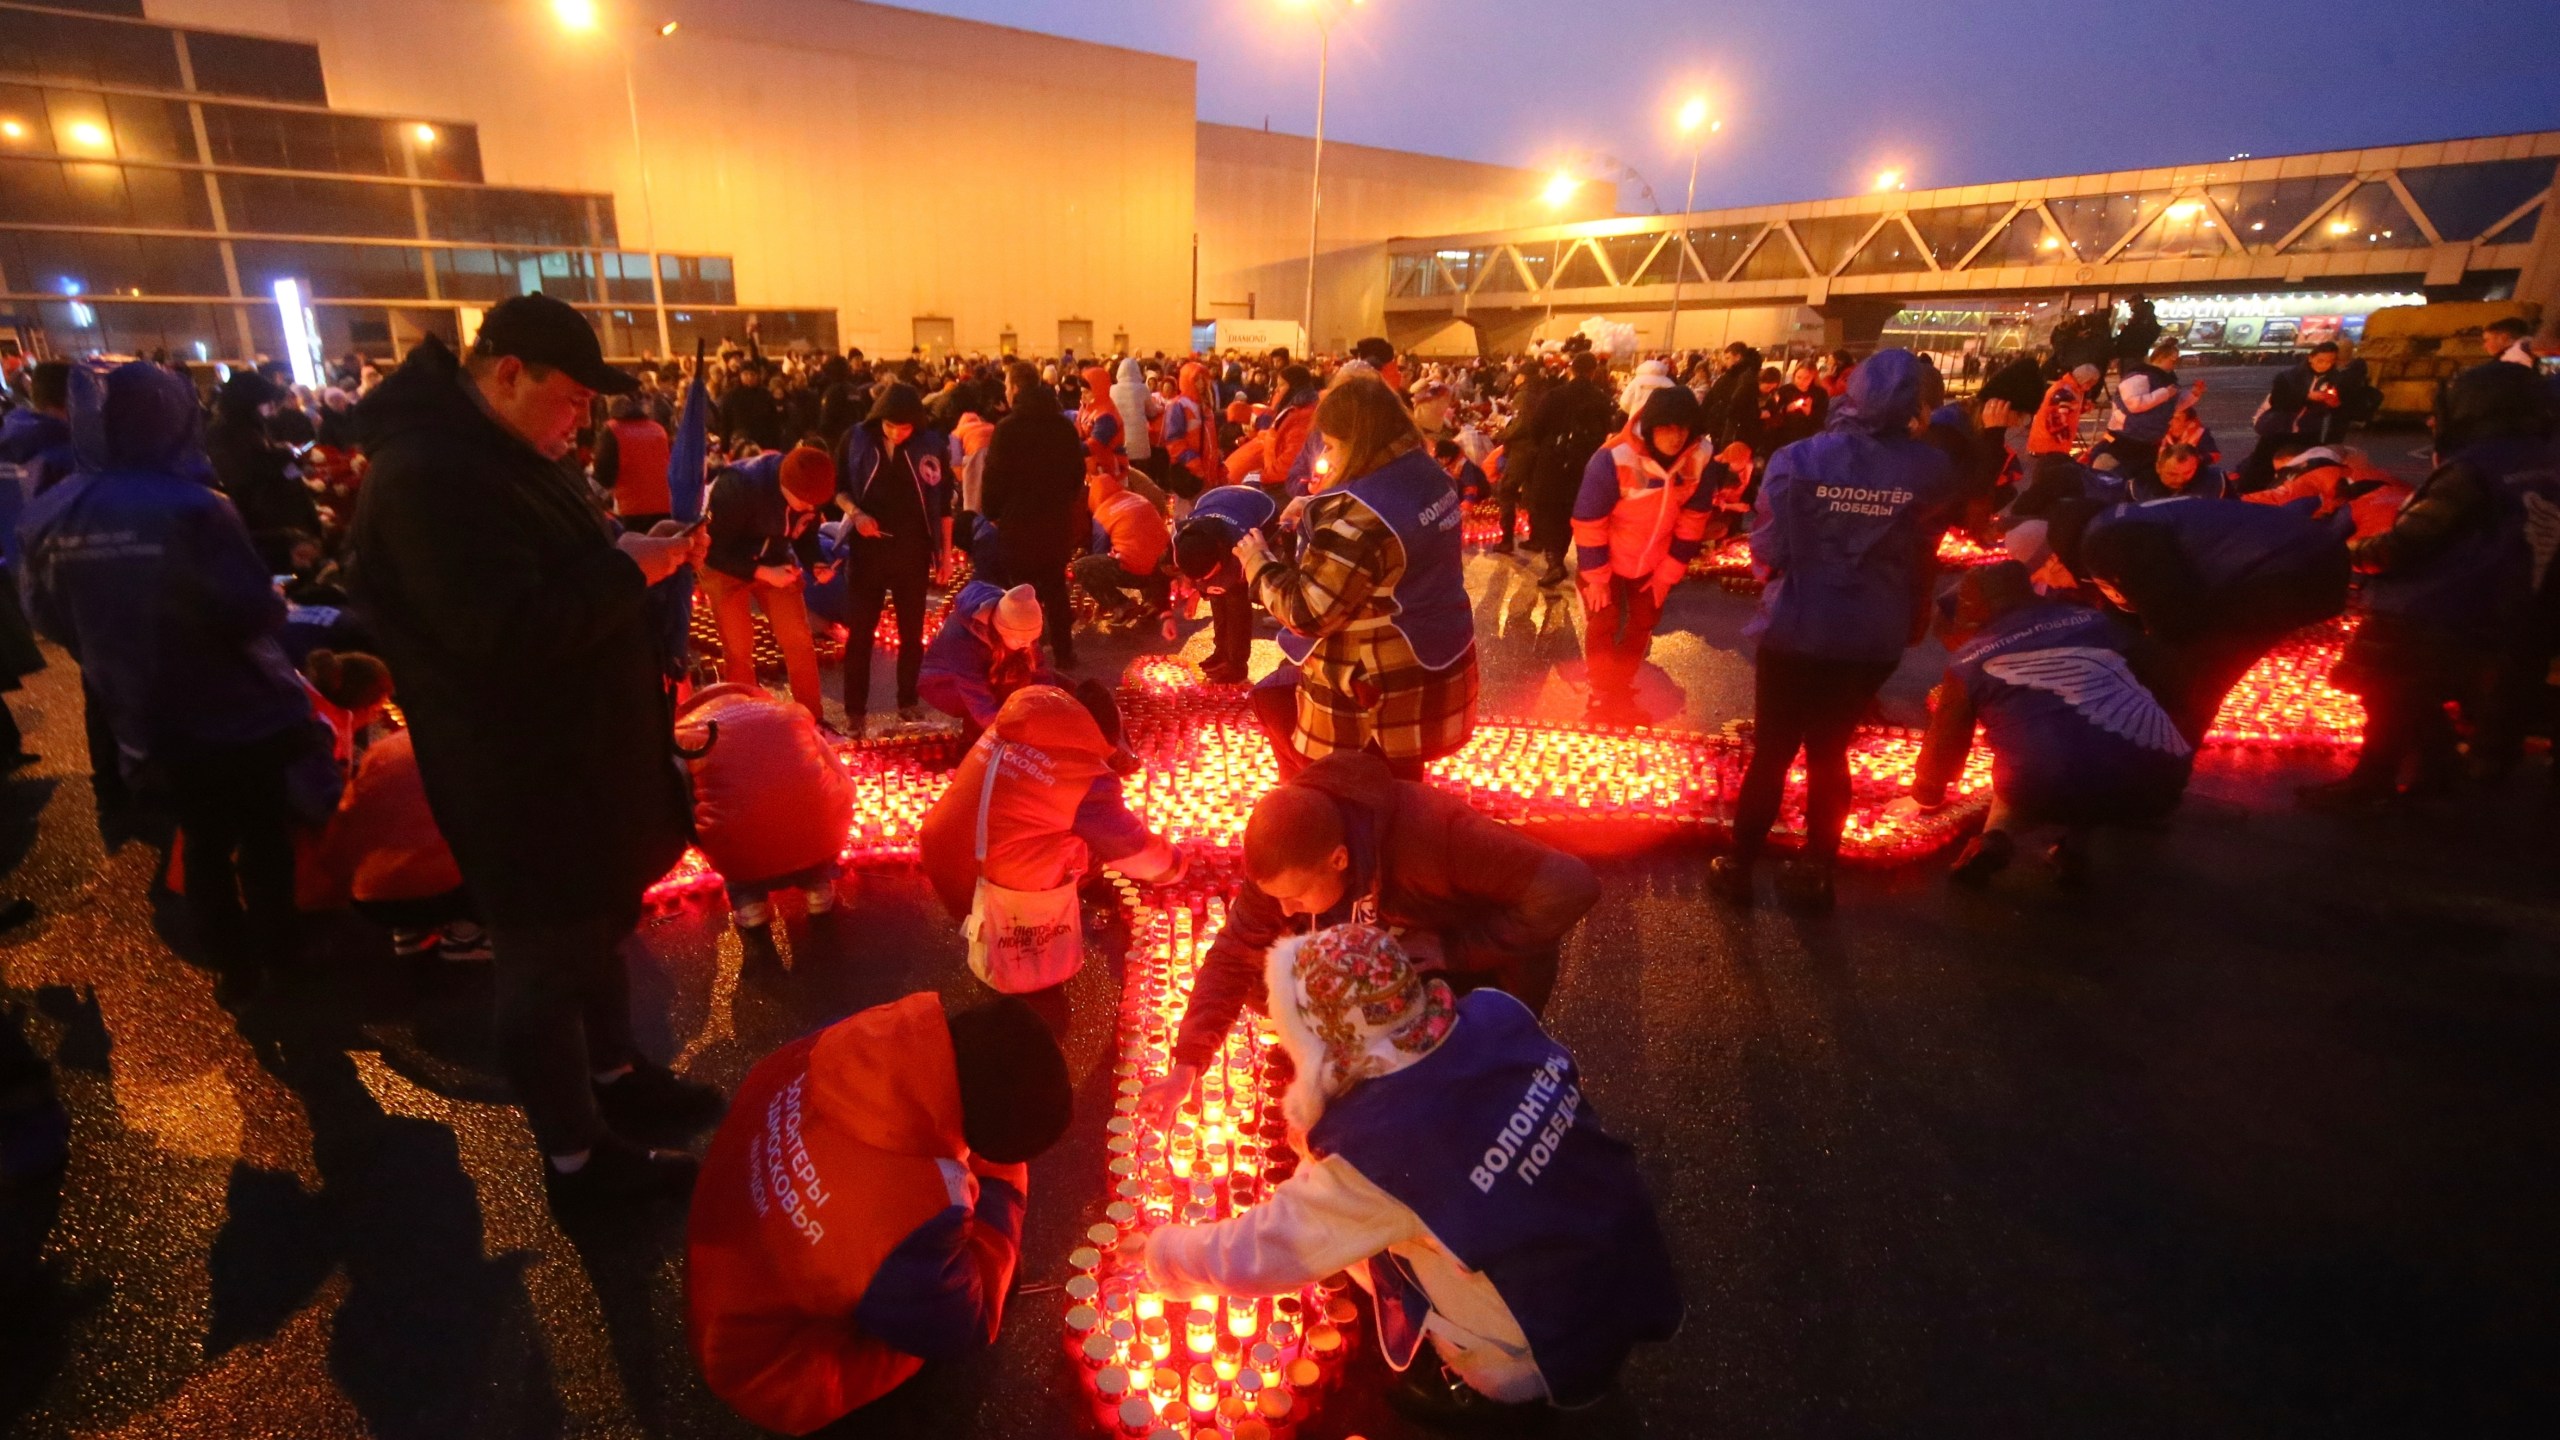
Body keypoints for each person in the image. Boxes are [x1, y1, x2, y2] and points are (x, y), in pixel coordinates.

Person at [349, 293, 718, 1209]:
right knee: (545, 966)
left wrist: (630, 547)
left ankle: (617, 1077)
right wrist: (628, 567)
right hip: (519, 779)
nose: (585, 419)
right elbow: (503, 632)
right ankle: (579, 1164)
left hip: (580, 762)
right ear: (509, 374)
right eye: (575, 399)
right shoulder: (427, 476)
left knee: (596, 935)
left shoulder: (504, 451)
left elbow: (555, 564)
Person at [1125, 923, 1679, 1427]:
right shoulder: (1494, 1012)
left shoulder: (1382, 1149)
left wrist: (1163, 1256)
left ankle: (1477, 1380)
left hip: (1546, 1330)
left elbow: (1269, 1251)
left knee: (1372, 1238)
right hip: (1625, 1256)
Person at [20, 361, 319, 1002]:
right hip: (237, 710)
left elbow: (46, 616)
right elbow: (250, 610)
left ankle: (231, 965)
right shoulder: (194, 506)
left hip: (142, 711)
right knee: (263, 837)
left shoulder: (49, 512)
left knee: (202, 841)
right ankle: (283, 955)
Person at [685, 994, 1072, 1436]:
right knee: (998, 1277)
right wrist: (1004, 1183)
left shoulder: (859, 1042)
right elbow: (967, 1320)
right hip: (764, 1365)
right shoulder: (907, 1216)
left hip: (727, 1265)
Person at [1142, 750, 1598, 1122]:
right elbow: (1235, 953)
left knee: (1463, 1101)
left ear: (1339, 860)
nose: (1285, 912)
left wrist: (1454, 950)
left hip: (1481, 966)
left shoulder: (1434, 835)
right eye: (1277, 898)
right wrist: (1188, 1064)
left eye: (1297, 898)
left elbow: (1569, 886)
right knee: (1270, 976)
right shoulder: (1288, 859)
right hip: (1397, 964)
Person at [1712, 349, 1959, 912]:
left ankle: (1738, 867)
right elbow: (1926, 547)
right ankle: (1815, 871)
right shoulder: (1929, 470)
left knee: (1773, 751)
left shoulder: (1799, 458)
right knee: (1830, 751)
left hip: (1799, 625)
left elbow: (1769, 544)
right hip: (1873, 637)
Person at [2300, 362, 2559, 809]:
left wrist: (2348, 552)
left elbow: (2409, 543)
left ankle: (2373, 782)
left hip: (2438, 608)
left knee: (2389, 694)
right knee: (2420, 697)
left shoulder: (2473, 468)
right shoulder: (2542, 462)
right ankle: (2440, 771)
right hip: (2514, 605)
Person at [1242, 376, 1478, 780]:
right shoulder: (1427, 474)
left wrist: (1256, 563)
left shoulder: (1358, 516)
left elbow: (1309, 612)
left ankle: (1327, 819)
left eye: (1332, 446)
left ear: (1359, 441)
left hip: (1376, 687)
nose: (1329, 457)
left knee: (1278, 706)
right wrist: (1317, 505)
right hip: (1438, 664)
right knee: (1401, 785)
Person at [1902, 561, 2193, 887]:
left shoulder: (1970, 659)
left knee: (2036, 760)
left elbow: (1947, 743)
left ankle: (1995, 838)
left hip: (2046, 785)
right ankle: (2073, 849)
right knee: (2099, 742)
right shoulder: (2098, 621)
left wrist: (1925, 793)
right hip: (2159, 782)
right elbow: (2170, 680)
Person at [917, 685, 1182, 1005]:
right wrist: (1177, 865)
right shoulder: (1081, 773)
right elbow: (1135, 853)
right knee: (1092, 842)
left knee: (1068, 829)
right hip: (989, 886)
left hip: (944, 858)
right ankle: (1027, 982)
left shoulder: (1016, 728)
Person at [2024, 488, 2349, 748]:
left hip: (2291, 571)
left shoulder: (2107, 543)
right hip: (2297, 564)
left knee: (2195, 676)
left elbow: (2175, 615)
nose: (2049, 587)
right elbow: (2128, 617)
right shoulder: (2105, 535)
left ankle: (2156, 768)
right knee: (2181, 671)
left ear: (2054, 559)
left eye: (2042, 577)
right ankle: (2152, 756)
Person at [1570, 386, 1731, 722]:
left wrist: (1668, 574)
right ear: (1652, 425)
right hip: (1607, 558)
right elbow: (1589, 521)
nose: (1676, 437)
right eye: (1667, 427)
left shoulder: (1699, 457)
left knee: (1643, 622)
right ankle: (1601, 690)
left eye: (1683, 428)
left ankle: (1621, 685)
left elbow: (1693, 520)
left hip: (1653, 560)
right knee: (1604, 621)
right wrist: (1596, 579)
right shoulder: (1614, 458)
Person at [676, 682, 853, 933]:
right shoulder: (791, 715)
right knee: (823, 801)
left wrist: (700, 840)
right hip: (820, 840)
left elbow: (680, 801)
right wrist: (837, 814)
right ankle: (818, 885)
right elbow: (837, 770)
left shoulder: (685, 735)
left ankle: (749, 903)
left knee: (712, 816)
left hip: (740, 855)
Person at [836, 383, 953, 731]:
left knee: (912, 630)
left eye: (904, 428)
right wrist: (856, 514)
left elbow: (944, 503)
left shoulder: (930, 445)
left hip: (912, 548)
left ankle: (908, 701)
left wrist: (944, 555)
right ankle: (855, 709)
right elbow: (838, 488)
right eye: (890, 427)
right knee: (860, 632)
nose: (897, 434)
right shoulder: (857, 439)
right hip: (868, 547)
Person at [319, 727, 482, 964]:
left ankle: (411, 931)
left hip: (372, 900)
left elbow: (345, 823)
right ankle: (465, 934)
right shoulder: (471, 749)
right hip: (445, 894)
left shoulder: (383, 749)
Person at [701, 445, 835, 722]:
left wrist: (816, 563)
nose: (810, 509)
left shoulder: (811, 491)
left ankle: (812, 721)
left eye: (815, 504)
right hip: (726, 566)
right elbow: (712, 553)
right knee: (738, 649)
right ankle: (747, 722)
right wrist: (761, 572)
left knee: (798, 639)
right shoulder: (739, 487)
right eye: (804, 503)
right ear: (784, 487)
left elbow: (806, 536)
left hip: (776, 559)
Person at [979, 362, 1086, 667]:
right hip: (1055, 520)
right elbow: (1076, 474)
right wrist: (1062, 502)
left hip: (1019, 521)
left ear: (1014, 388)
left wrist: (993, 512)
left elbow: (994, 476)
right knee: (1055, 586)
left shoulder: (1008, 429)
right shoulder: (1063, 426)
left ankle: (1025, 654)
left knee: (1020, 592)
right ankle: (1065, 653)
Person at [1171, 483, 1280, 684]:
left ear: (1221, 558)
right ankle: (1221, 652)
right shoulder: (1182, 538)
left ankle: (1237, 664)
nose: (1202, 581)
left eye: (1206, 575)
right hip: (1213, 499)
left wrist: (1202, 589)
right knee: (1216, 593)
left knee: (1235, 596)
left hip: (1261, 508)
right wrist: (1196, 590)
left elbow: (1229, 586)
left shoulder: (1239, 543)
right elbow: (1198, 576)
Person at [918, 581, 1054, 741]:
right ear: (1000, 630)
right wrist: (1012, 736)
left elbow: (1039, 672)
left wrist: (1052, 705)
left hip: (990, 670)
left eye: (1032, 639)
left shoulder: (1021, 619)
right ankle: (976, 744)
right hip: (942, 683)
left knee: (1060, 686)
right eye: (1020, 640)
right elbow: (980, 702)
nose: (1027, 644)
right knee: (1000, 699)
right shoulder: (961, 638)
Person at [1526, 352, 1617, 589]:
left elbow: (1536, 426)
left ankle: (1555, 560)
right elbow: (1606, 429)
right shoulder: (1601, 398)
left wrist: (1545, 447)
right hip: (1585, 463)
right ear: (1593, 371)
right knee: (1572, 510)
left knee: (1547, 509)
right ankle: (1571, 560)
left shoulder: (1555, 395)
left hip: (1553, 461)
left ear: (1571, 369)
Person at [206, 369, 323, 539]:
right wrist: (286, 455)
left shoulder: (245, 424)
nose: (269, 407)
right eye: (263, 402)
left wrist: (281, 451)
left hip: (270, 509)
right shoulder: (231, 429)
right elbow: (252, 466)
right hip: (264, 514)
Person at [1070, 464, 1172, 629]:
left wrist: (1103, 599)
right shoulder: (1137, 498)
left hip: (1140, 572)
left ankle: (1122, 605)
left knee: (1083, 567)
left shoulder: (1102, 513)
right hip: (1166, 568)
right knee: (1140, 548)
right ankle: (1154, 602)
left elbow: (1099, 554)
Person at [2240, 342, 2349, 487]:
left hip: (2309, 433)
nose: (2325, 365)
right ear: (2311, 358)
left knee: (2300, 471)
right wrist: (2306, 397)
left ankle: (2288, 498)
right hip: (2279, 429)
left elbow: (2345, 410)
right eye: (2320, 360)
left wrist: (2336, 405)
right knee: (2262, 466)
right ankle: (2249, 496)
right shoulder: (2288, 376)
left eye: (2330, 361)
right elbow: (2277, 401)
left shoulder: (2338, 380)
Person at [2104, 338, 2202, 486]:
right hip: (2127, 436)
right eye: (2173, 360)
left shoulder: (2164, 379)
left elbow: (2170, 408)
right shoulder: (2140, 376)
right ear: (2161, 358)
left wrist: (2193, 394)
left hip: (2148, 439)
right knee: (2120, 475)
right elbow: (2134, 404)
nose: (2175, 364)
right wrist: (2164, 393)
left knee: (2143, 477)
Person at [593, 392, 673, 531]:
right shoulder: (658, 429)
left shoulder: (612, 429)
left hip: (633, 509)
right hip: (665, 503)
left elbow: (604, 476)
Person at [715, 358, 783, 453]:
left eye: (752, 374)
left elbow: (774, 423)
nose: (749, 377)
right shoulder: (731, 397)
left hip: (763, 443)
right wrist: (724, 447)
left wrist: (775, 446)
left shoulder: (765, 395)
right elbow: (725, 424)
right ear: (740, 375)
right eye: (746, 374)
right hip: (740, 445)